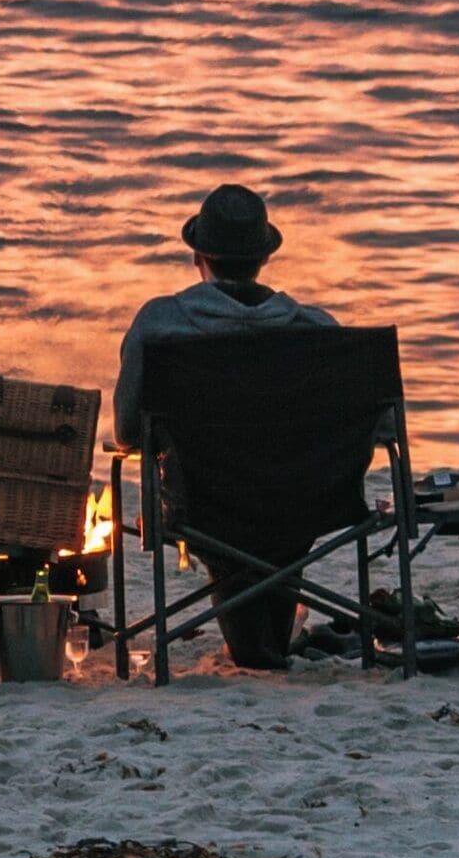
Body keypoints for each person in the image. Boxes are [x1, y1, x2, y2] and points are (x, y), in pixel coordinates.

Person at [112, 182, 335, 671]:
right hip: (305, 502)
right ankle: (267, 643)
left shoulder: (160, 324)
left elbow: (128, 432)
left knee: (246, 599)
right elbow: (376, 427)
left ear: (198, 257)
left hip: (207, 507)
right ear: (263, 260)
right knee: (273, 556)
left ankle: (259, 646)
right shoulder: (319, 330)